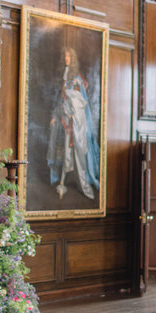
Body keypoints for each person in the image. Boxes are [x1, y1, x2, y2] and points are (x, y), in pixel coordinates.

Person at [47, 46, 99, 201]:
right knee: (65, 150)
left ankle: (82, 184)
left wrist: (70, 111)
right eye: (65, 56)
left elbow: (78, 99)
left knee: (77, 149)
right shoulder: (66, 75)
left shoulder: (76, 77)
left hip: (76, 119)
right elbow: (62, 98)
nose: (66, 59)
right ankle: (62, 182)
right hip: (66, 118)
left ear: (73, 59)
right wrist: (56, 115)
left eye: (69, 56)